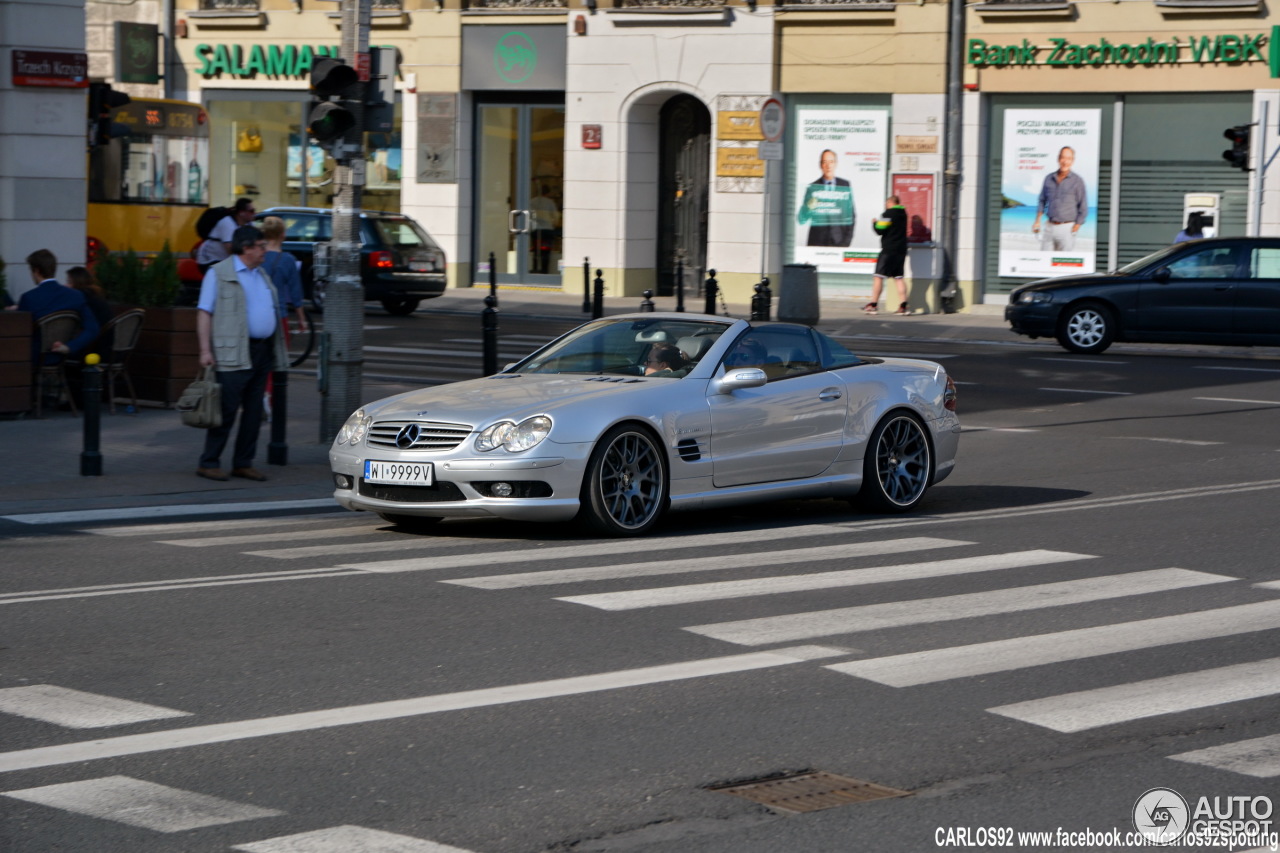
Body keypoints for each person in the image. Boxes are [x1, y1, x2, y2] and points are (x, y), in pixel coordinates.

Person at [195, 225, 288, 483]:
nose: (265, 252)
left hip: (261, 350)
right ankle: (209, 462)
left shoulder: (260, 274)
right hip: (233, 350)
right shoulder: (219, 273)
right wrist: (205, 350)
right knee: (225, 409)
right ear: (246, 247)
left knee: (253, 410)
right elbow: (204, 312)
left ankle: (243, 463)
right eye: (261, 246)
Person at [18, 249, 100, 361]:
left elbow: (20, 334)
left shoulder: (28, 298)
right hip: (63, 356)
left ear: (36, 271)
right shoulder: (76, 295)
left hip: (35, 358)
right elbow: (92, 329)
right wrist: (69, 347)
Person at [1031, 146, 1088, 252]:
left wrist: (1077, 225)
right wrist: (1037, 221)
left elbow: (1083, 206)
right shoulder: (1048, 178)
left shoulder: (1078, 181)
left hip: (1067, 228)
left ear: (1072, 161)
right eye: (1063, 158)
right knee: (1044, 261)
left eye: (1069, 158)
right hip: (1049, 226)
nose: (1065, 161)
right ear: (1058, 158)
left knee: (1064, 264)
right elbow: (1042, 200)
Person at [796, 149, 855, 248]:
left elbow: (851, 216)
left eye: (831, 162)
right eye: (825, 162)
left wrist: (846, 242)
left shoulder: (844, 185)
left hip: (838, 242)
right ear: (820, 165)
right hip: (817, 242)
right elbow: (802, 218)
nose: (828, 166)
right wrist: (808, 207)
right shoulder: (813, 188)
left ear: (835, 164)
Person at [259, 216, 307, 332]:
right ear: (282, 235)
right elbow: (295, 293)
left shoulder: (256, 256)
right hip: (279, 314)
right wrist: (301, 319)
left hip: (256, 314)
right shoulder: (288, 260)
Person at [865, 195, 909, 316]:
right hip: (901, 250)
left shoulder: (889, 213)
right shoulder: (903, 214)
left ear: (890, 202)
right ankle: (903, 306)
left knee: (878, 276)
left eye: (886, 203)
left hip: (889, 249)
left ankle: (873, 305)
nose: (885, 205)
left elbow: (880, 230)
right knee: (899, 277)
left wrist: (874, 223)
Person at [196, 197, 256, 273]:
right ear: (241, 212)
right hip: (209, 260)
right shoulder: (227, 223)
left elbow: (256, 240)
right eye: (251, 211)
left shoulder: (249, 224)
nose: (254, 213)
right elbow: (230, 249)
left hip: (224, 260)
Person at [529, 186, 560, 274]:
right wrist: (554, 224)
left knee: (536, 250)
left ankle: (535, 268)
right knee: (546, 251)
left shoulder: (532, 201)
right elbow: (556, 216)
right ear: (547, 193)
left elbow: (529, 215)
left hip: (536, 229)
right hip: (547, 230)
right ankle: (544, 270)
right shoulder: (550, 202)